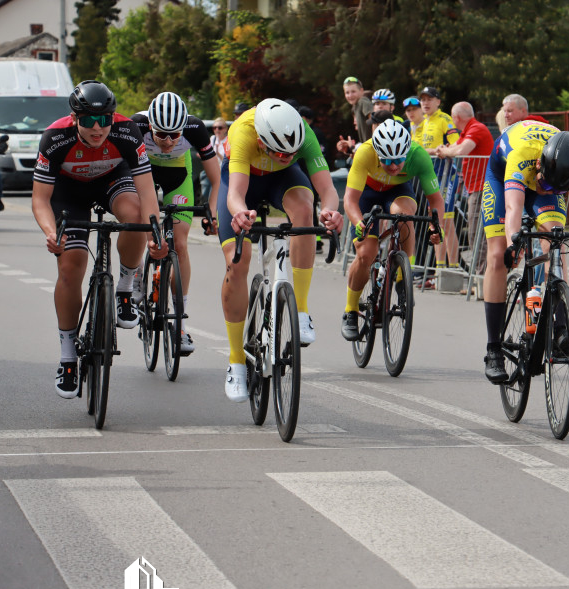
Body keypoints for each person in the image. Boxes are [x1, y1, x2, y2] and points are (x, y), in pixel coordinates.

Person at [31, 80, 168, 398]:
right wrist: (52, 233)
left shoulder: (126, 132)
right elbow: (40, 199)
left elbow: (147, 191)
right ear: (74, 118)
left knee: (134, 217)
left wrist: (155, 235)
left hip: (111, 180)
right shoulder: (55, 137)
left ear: (113, 117)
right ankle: (67, 355)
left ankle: (124, 287)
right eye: (89, 121)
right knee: (71, 265)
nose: (98, 128)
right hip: (69, 193)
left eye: (104, 120)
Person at [217, 98, 342, 402]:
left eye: (291, 153)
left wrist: (329, 211)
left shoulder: (303, 135)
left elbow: (327, 190)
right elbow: (235, 193)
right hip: (246, 181)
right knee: (238, 262)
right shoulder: (243, 132)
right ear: (261, 140)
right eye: (278, 152)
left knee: (304, 209)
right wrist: (239, 213)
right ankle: (236, 361)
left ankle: (300, 309)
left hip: (281, 183)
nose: (286, 157)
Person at [480, 121, 569, 383]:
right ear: (540, 165)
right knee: (497, 257)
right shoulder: (523, 156)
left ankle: (561, 328)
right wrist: (512, 245)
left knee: (555, 241)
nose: (548, 191)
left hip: (549, 174)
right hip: (502, 176)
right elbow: (513, 209)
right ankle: (493, 348)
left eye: (556, 190)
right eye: (547, 185)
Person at [132, 92, 222, 355]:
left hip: (178, 177)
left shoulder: (195, 128)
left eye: (175, 135)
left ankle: (180, 325)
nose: (169, 141)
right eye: (161, 135)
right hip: (143, 172)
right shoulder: (135, 125)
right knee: (140, 224)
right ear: (150, 127)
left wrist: (211, 214)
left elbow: (216, 181)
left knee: (180, 245)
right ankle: (137, 270)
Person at [340, 119, 445, 340]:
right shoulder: (365, 153)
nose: (394, 165)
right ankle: (350, 310)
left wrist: (437, 225)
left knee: (405, 216)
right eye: (387, 159)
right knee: (366, 253)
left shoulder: (418, 155)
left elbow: (435, 200)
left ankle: (400, 277)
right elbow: (350, 200)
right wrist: (360, 223)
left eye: (399, 159)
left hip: (397, 190)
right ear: (377, 152)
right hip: (366, 194)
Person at [436, 101, 496, 278]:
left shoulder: (476, 128)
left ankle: (480, 278)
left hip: (480, 187)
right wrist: (444, 150)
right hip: (476, 187)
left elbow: (461, 149)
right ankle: (480, 277)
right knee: (476, 232)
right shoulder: (470, 129)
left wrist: (445, 152)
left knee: (476, 233)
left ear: (456, 117)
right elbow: (454, 147)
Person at [415, 86, 461, 274]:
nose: (425, 103)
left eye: (429, 99)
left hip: (445, 174)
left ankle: (452, 269)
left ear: (438, 102)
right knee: (435, 222)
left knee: (446, 222)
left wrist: (435, 151)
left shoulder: (444, 119)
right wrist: (431, 151)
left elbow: (456, 143)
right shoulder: (422, 122)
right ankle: (438, 270)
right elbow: (414, 147)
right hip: (429, 175)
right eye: (422, 99)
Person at [336, 76, 373, 156]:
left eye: (353, 91)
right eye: (347, 92)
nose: (350, 95)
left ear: (361, 91)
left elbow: (374, 121)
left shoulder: (363, 101)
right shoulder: (355, 107)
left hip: (373, 148)